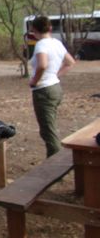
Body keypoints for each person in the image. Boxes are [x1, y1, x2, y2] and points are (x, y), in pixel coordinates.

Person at [28, 16, 75, 157]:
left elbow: (42, 65)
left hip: (44, 91)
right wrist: (55, 75)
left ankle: (54, 166)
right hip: (55, 88)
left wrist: (34, 81)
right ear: (50, 28)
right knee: (50, 128)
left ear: (34, 30)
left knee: (48, 131)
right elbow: (70, 62)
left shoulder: (41, 45)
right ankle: (54, 161)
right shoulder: (57, 43)